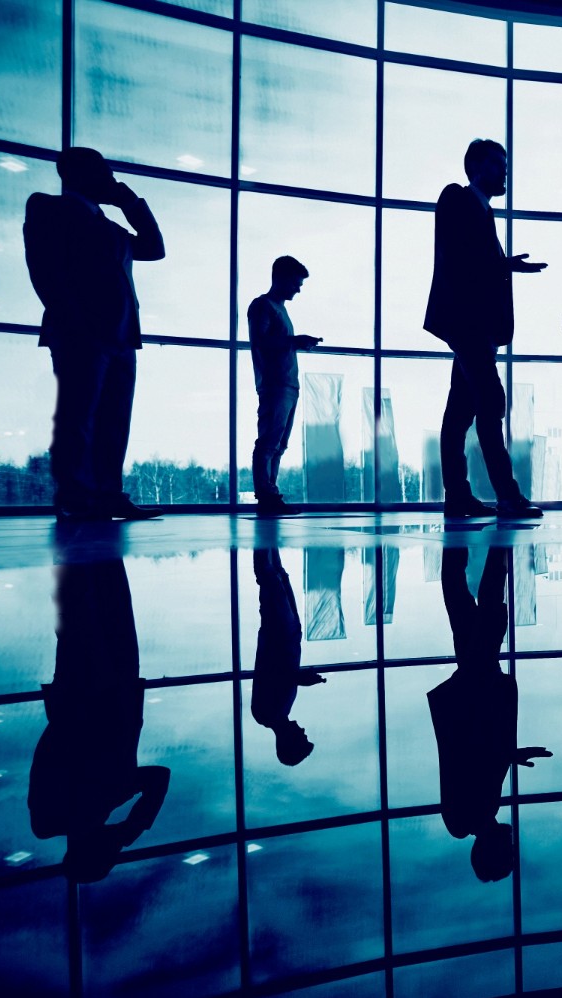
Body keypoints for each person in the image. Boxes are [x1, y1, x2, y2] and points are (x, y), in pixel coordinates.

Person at [23, 147, 165, 522]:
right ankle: (76, 497)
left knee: (114, 420)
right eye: (104, 172)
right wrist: (75, 323)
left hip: (121, 336)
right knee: (78, 417)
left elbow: (154, 248)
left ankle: (107, 495)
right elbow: (44, 271)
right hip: (81, 333)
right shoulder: (46, 208)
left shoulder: (112, 228)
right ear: (80, 174)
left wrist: (129, 202)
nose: (111, 179)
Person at [28, 523, 170, 882]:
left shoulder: (74, 810)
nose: (115, 850)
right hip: (104, 696)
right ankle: (86, 534)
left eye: (109, 855)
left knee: (86, 614)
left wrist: (132, 828)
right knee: (96, 611)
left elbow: (158, 779)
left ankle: (80, 531)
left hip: (94, 697)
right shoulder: (96, 803)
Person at [425, 139, 547, 519]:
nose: (504, 171)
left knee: (459, 413)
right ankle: (508, 496)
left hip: (476, 329)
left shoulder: (485, 213)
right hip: (466, 325)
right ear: (475, 167)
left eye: (505, 164)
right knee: (490, 402)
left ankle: (458, 497)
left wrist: (504, 266)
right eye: (497, 164)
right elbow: (460, 258)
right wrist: (505, 266)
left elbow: (475, 262)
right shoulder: (456, 199)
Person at [428, 546, 550, 881]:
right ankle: (461, 540)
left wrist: (508, 754)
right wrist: (509, 755)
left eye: (506, 853)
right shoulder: (467, 819)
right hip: (471, 687)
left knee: (488, 611)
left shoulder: (471, 816)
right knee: (464, 605)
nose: (512, 846)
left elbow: (472, 756)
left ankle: (499, 542)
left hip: (477, 689)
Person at [246, 257, 321, 517]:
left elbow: (271, 341)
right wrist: (294, 341)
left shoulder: (279, 309)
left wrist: (294, 342)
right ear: (280, 277)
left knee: (277, 444)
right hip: (275, 384)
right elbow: (260, 341)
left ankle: (270, 494)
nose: (298, 289)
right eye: (295, 283)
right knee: (268, 442)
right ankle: (266, 495)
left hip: (287, 384)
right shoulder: (262, 306)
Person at [250, 526, 325, 766]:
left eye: (301, 738)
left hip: (279, 634)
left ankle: (261, 532)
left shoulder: (267, 713)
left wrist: (301, 679)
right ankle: (266, 533)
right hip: (287, 633)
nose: (303, 731)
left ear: (288, 741)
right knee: (277, 576)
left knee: (271, 578)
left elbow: (272, 673)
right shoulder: (276, 713)